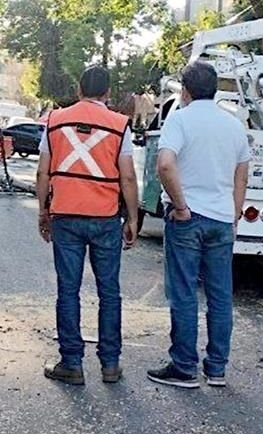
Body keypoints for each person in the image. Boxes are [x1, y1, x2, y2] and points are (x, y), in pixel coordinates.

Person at [147, 62, 250, 389]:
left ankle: (184, 367)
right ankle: (217, 369)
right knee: (220, 295)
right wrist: (233, 217)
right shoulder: (234, 126)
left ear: (186, 90)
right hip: (221, 219)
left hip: (187, 219)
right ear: (216, 89)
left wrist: (181, 205)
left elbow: (165, 164)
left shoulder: (179, 119)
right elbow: (241, 175)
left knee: (184, 292)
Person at [36, 65, 139, 386]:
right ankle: (110, 364)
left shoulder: (55, 120)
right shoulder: (120, 125)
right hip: (106, 218)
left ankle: (72, 363)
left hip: (65, 217)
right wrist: (133, 217)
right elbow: (128, 176)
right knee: (109, 292)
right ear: (108, 93)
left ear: (79, 89)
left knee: (68, 290)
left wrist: (43, 211)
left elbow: (42, 172)